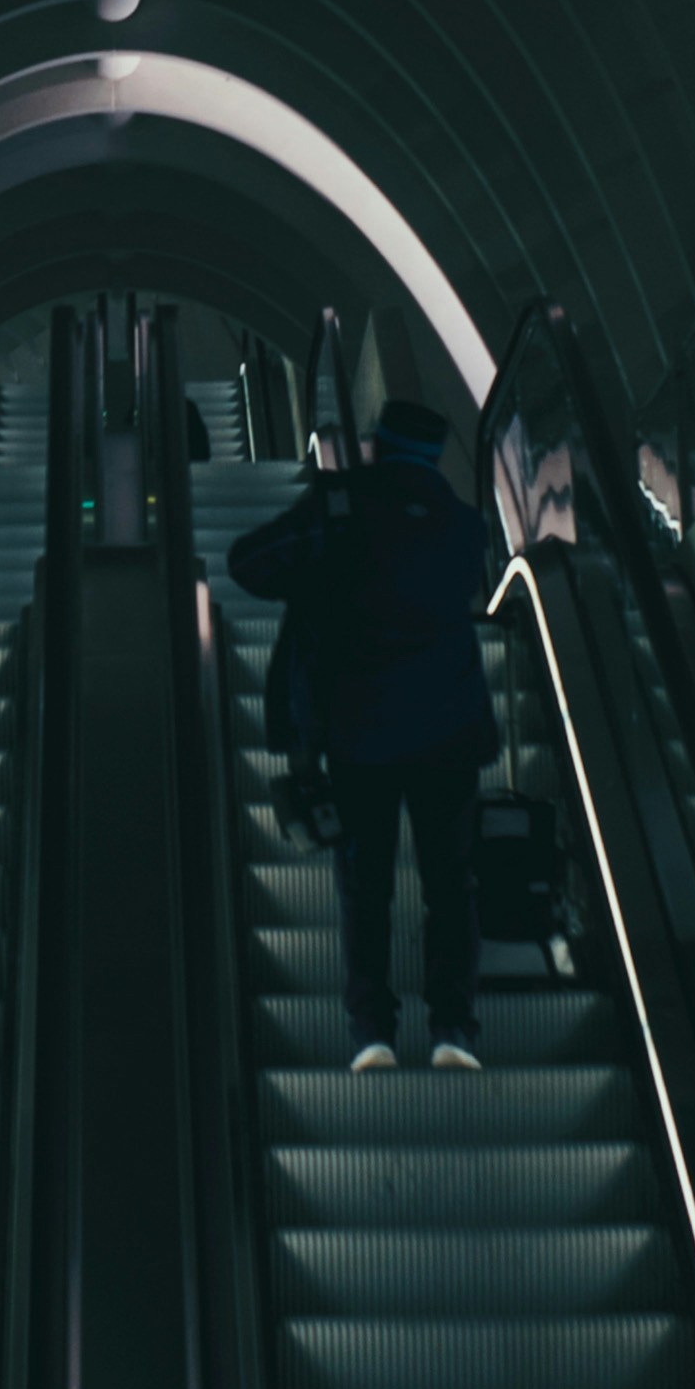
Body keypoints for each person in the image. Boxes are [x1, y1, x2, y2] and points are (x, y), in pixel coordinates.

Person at [229, 398, 497, 1072]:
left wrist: (321, 570)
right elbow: (463, 587)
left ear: (375, 446)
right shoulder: (465, 529)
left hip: (360, 735)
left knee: (365, 887)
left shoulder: (340, 510)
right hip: (449, 733)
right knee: (451, 885)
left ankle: (372, 1033)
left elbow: (248, 564)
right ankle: (453, 1033)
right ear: (435, 457)